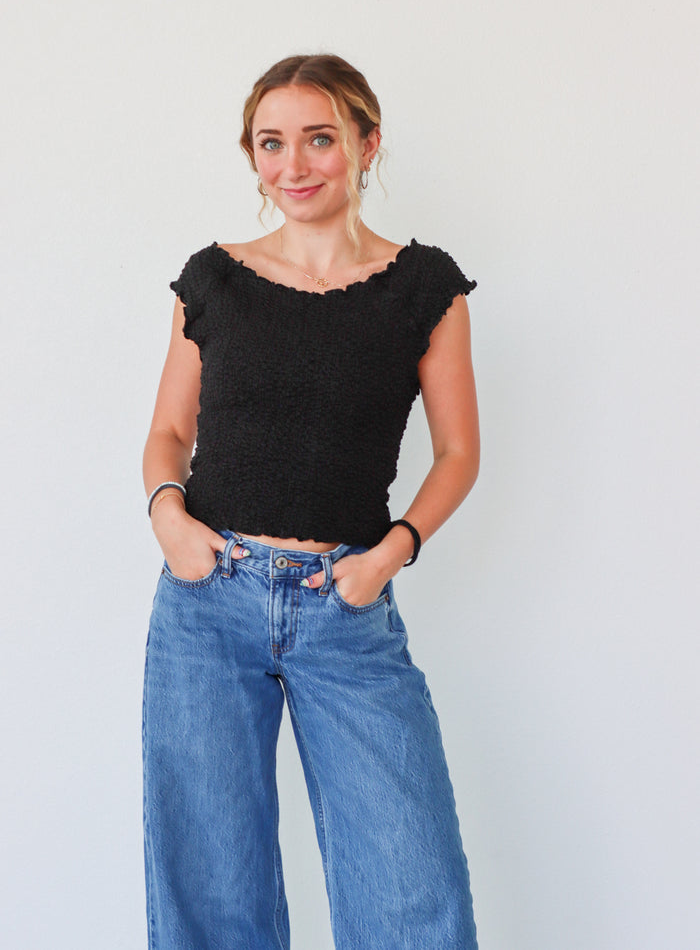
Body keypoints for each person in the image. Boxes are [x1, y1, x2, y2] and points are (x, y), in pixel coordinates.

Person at [142, 53, 480, 950]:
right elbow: (168, 432)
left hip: (347, 604)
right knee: (210, 890)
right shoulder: (213, 279)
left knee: (411, 887)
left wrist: (391, 553)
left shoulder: (424, 287)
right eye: (272, 143)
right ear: (252, 156)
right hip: (208, 598)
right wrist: (169, 517)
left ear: (367, 145)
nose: (294, 164)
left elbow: (458, 453)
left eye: (319, 139)